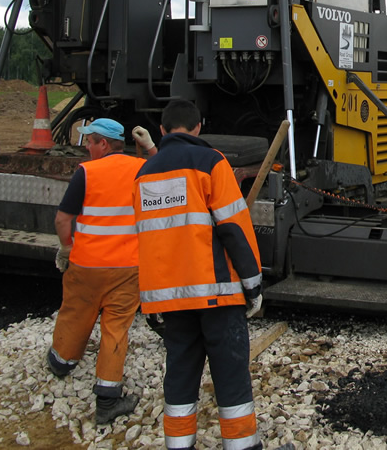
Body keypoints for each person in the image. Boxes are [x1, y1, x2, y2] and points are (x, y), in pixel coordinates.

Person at [133, 99, 263, 450]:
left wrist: (150, 301)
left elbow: (145, 238)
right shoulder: (211, 162)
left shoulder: (145, 174)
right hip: (216, 293)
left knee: (179, 375)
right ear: (199, 127)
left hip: (170, 299)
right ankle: (241, 445)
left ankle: (179, 445)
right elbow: (233, 227)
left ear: (161, 130)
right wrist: (252, 285)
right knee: (230, 374)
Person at [46, 118, 156, 425]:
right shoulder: (139, 168)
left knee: (75, 312)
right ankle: (108, 399)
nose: (87, 149)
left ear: (103, 144)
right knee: (116, 329)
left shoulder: (87, 172)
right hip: (127, 268)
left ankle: (61, 362)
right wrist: (148, 146)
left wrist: (67, 247)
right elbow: (164, 170)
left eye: (90, 142)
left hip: (87, 265)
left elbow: (62, 219)